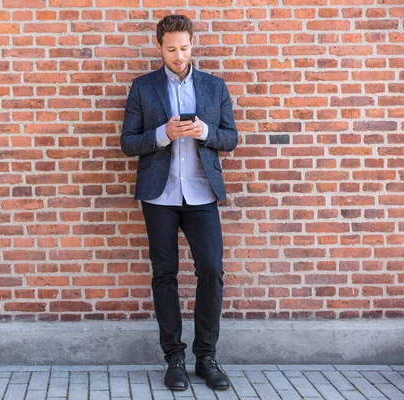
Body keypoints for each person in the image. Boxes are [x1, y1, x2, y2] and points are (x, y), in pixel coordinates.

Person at [120, 14, 238, 391]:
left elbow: (231, 138)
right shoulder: (142, 88)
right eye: (170, 48)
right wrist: (162, 134)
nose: (178, 55)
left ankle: (207, 357)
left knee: (212, 270)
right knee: (164, 275)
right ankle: (174, 358)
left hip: (202, 195)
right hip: (161, 195)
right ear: (159, 46)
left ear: (192, 45)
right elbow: (128, 143)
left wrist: (203, 131)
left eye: (184, 48)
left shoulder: (214, 87)